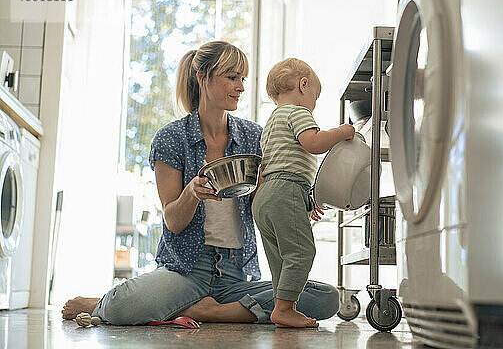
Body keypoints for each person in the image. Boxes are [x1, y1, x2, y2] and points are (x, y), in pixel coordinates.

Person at [62, 42, 340, 325]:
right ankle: (105, 302)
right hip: (186, 271)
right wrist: (192, 193)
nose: (241, 87)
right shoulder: (171, 138)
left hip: (234, 273)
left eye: (242, 78)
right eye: (232, 77)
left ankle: (204, 310)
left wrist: (301, 199)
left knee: (326, 297)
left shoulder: (253, 136)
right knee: (125, 308)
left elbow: (266, 198)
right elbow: (173, 221)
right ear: (203, 77)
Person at [251, 58, 355, 328]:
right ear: (303, 84)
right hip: (286, 189)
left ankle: (283, 307)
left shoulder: (271, 121)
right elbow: (314, 143)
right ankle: (284, 309)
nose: (314, 103)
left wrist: (305, 201)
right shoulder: (298, 112)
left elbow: (278, 164)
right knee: (301, 252)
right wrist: (342, 131)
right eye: (315, 97)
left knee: (280, 258)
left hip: (264, 197)